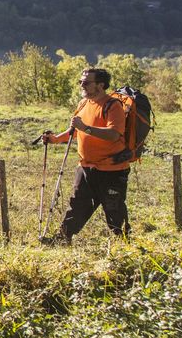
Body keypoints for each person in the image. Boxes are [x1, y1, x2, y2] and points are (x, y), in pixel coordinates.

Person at [40, 67, 130, 244]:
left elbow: (114, 134)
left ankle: (125, 244)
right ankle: (62, 239)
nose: (82, 85)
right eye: (81, 82)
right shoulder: (83, 104)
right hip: (86, 166)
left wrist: (86, 128)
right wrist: (55, 139)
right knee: (77, 205)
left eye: (86, 82)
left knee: (114, 209)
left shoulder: (113, 106)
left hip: (112, 169)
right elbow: (74, 130)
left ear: (100, 85)